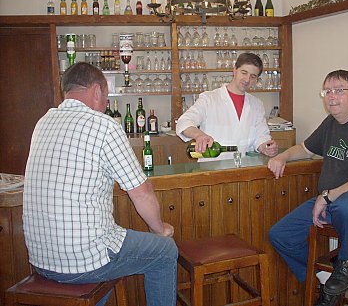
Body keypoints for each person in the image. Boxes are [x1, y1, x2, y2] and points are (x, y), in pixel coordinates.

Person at [22, 62, 178, 306]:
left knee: (98, 269)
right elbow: (142, 192)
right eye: (106, 97)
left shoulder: (43, 122)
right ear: (96, 91)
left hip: (41, 260)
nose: (105, 104)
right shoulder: (104, 126)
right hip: (84, 260)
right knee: (165, 251)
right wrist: (160, 230)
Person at [267, 70, 348, 306]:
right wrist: (283, 156)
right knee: (281, 235)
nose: (331, 97)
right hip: (334, 203)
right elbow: (306, 149)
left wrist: (327, 196)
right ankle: (326, 280)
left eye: (339, 90)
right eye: (327, 91)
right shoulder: (332, 122)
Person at [176, 52, 278, 161]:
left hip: (244, 168)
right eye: (244, 72)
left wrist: (266, 147)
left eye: (253, 76)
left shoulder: (257, 104)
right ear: (234, 70)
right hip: (212, 170)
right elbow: (184, 122)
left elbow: (261, 136)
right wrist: (199, 135)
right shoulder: (209, 99)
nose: (247, 80)